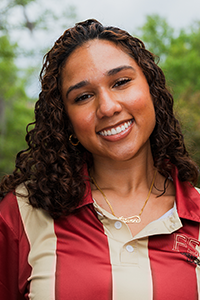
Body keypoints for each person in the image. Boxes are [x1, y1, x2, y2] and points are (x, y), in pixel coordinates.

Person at [0, 19, 200, 300]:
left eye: (121, 82)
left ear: (151, 89)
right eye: (83, 97)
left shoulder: (197, 215)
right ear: (66, 119)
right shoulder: (22, 213)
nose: (107, 107)